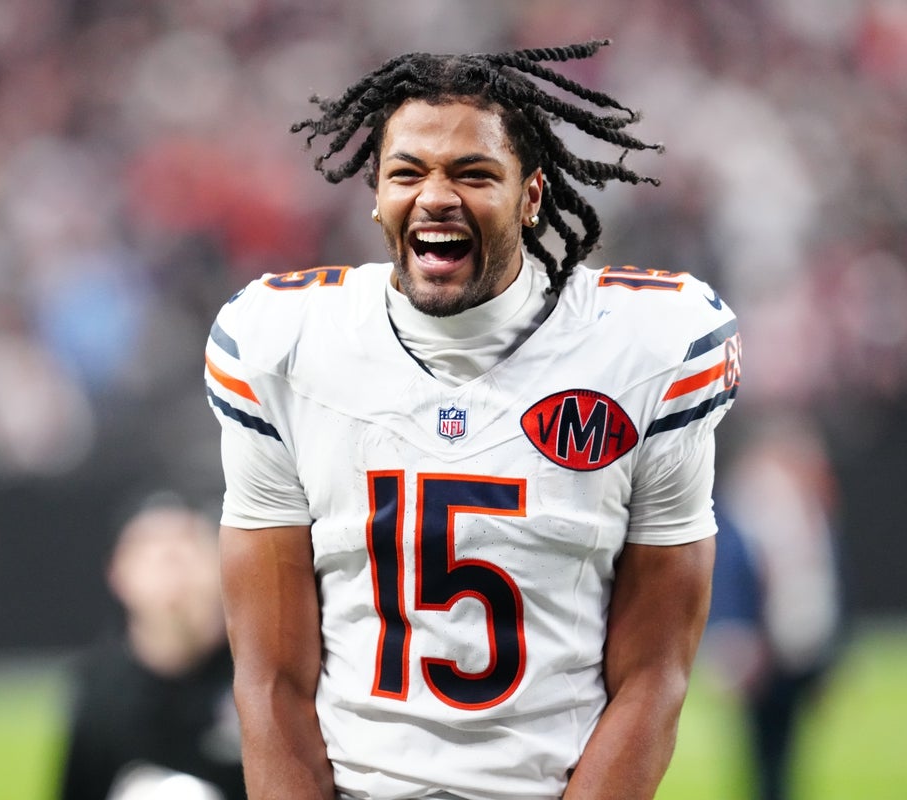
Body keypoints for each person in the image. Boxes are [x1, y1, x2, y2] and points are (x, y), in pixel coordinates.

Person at [204, 40, 741, 800]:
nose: (435, 197)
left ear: (531, 195)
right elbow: (270, 682)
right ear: (376, 193)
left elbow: (656, 673)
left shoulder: (649, 347)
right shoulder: (282, 343)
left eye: (473, 173)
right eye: (407, 172)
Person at [59, 496, 245, 800]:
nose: (172, 563)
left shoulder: (261, 668)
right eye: (149, 550)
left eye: (187, 544)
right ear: (117, 574)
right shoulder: (101, 690)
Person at [702, 419, 845, 800]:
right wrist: (737, 639)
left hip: (797, 644)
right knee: (763, 752)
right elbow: (737, 574)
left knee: (784, 750)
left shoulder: (808, 511)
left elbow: (824, 584)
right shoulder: (752, 508)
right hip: (763, 646)